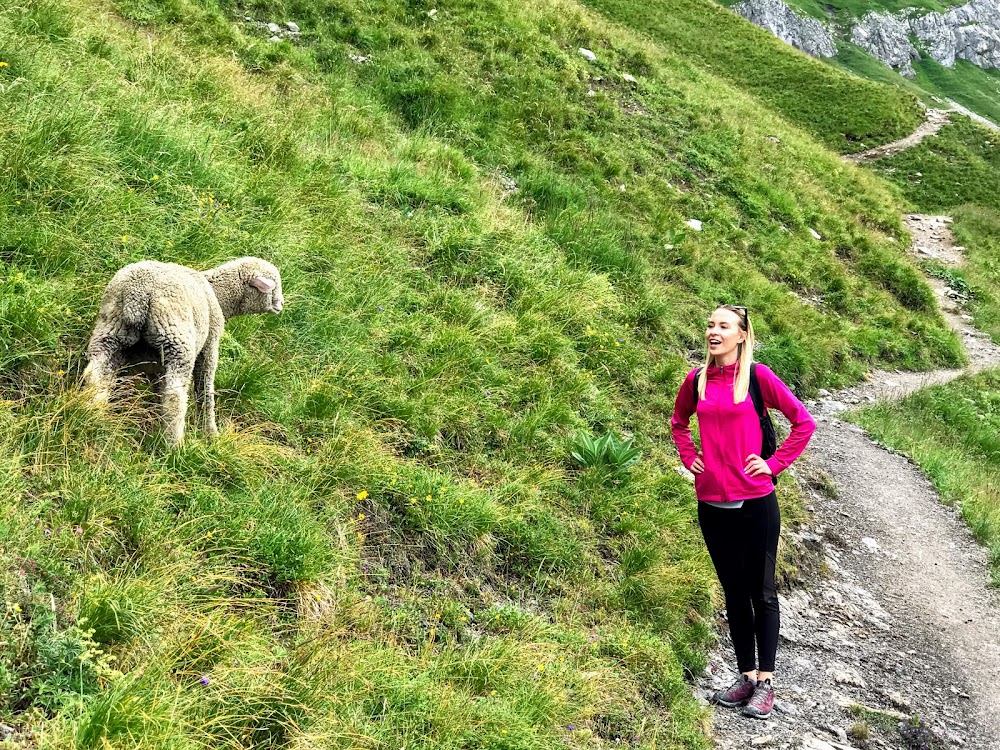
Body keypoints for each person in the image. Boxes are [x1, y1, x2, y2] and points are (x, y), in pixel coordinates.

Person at [670, 305, 816, 720]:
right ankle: (746, 677)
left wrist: (772, 465)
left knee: (761, 592)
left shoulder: (758, 377)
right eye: (711, 325)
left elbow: (803, 423)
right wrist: (688, 456)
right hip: (711, 502)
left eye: (724, 326)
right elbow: (679, 424)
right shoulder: (697, 380)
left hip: (755, 501)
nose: (714, 331)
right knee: (734, 592)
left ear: (741, 335)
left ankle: (767, 683)